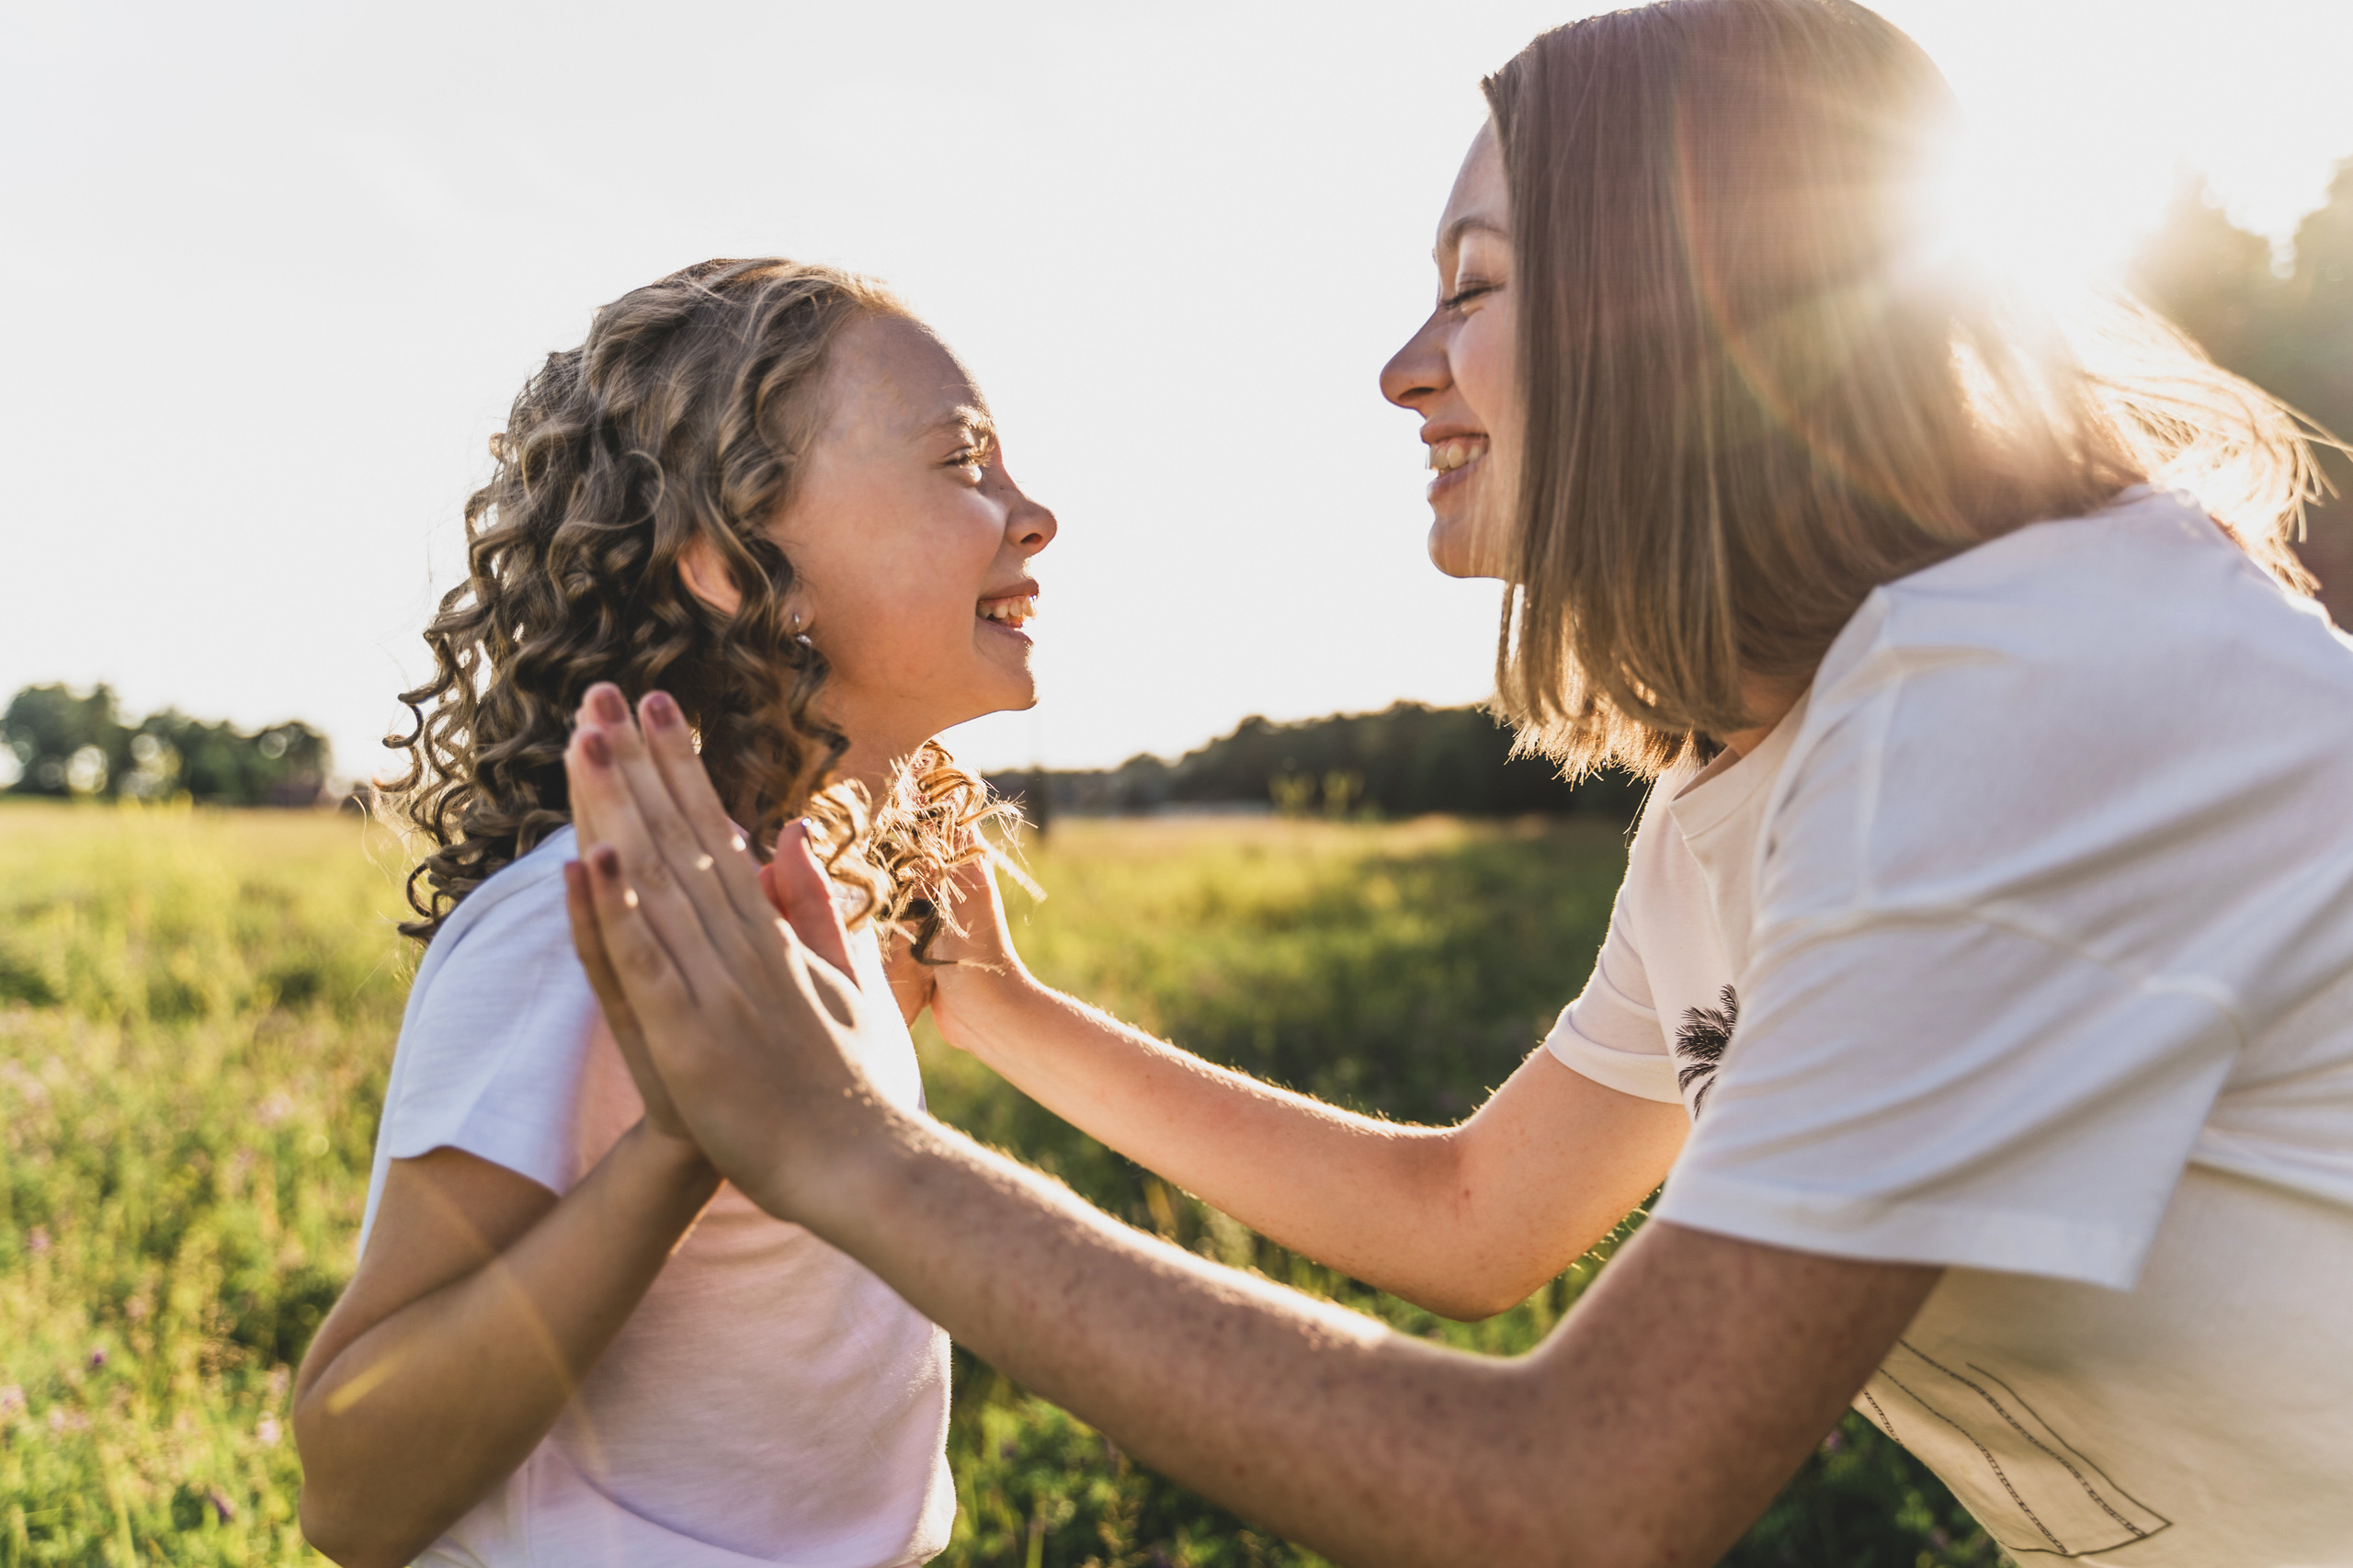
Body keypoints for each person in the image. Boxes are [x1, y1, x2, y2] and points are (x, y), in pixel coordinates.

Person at [555, 3, 2353, 1564]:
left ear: (1694, 302)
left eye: (1474, 290)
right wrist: (997, 1015)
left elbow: (1578, 1500)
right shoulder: (1777, 764)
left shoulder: (2017, 691)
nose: (1402, 368)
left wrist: (846, 1153)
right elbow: (1475, 1218)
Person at [290, 257, 1056, 1568]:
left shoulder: (804, 901)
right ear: (734, 558)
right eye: (962, 462)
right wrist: (673, 1151)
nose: (1031, 514)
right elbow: (352, 1487)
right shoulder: (583, 925)